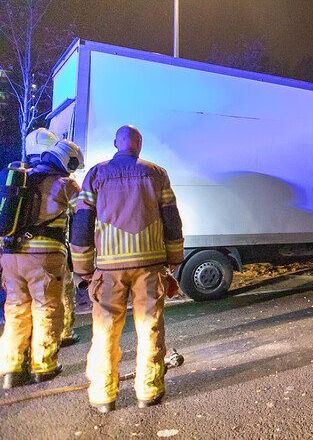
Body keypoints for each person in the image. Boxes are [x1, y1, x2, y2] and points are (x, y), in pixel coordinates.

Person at [71, 125, 184, 413]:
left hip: (109, 268)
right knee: (150, 327)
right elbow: (171, 218)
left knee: (105, 329)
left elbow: (82, 222)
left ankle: (103, 396)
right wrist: (174, 257)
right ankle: (148, 391)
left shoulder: (96, 174)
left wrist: (83, 266)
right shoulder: (157, 174)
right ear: (139, 145)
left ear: (116, 144)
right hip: (149, 265)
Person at [0, 139, 83, 389]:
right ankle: (43, 366)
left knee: (15, 308)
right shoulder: (65, 184)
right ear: (65, 160)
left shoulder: (22, 178)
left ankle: (11, 368)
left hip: (11, 254)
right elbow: (84, 214)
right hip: (44, 257)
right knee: (46, 309)